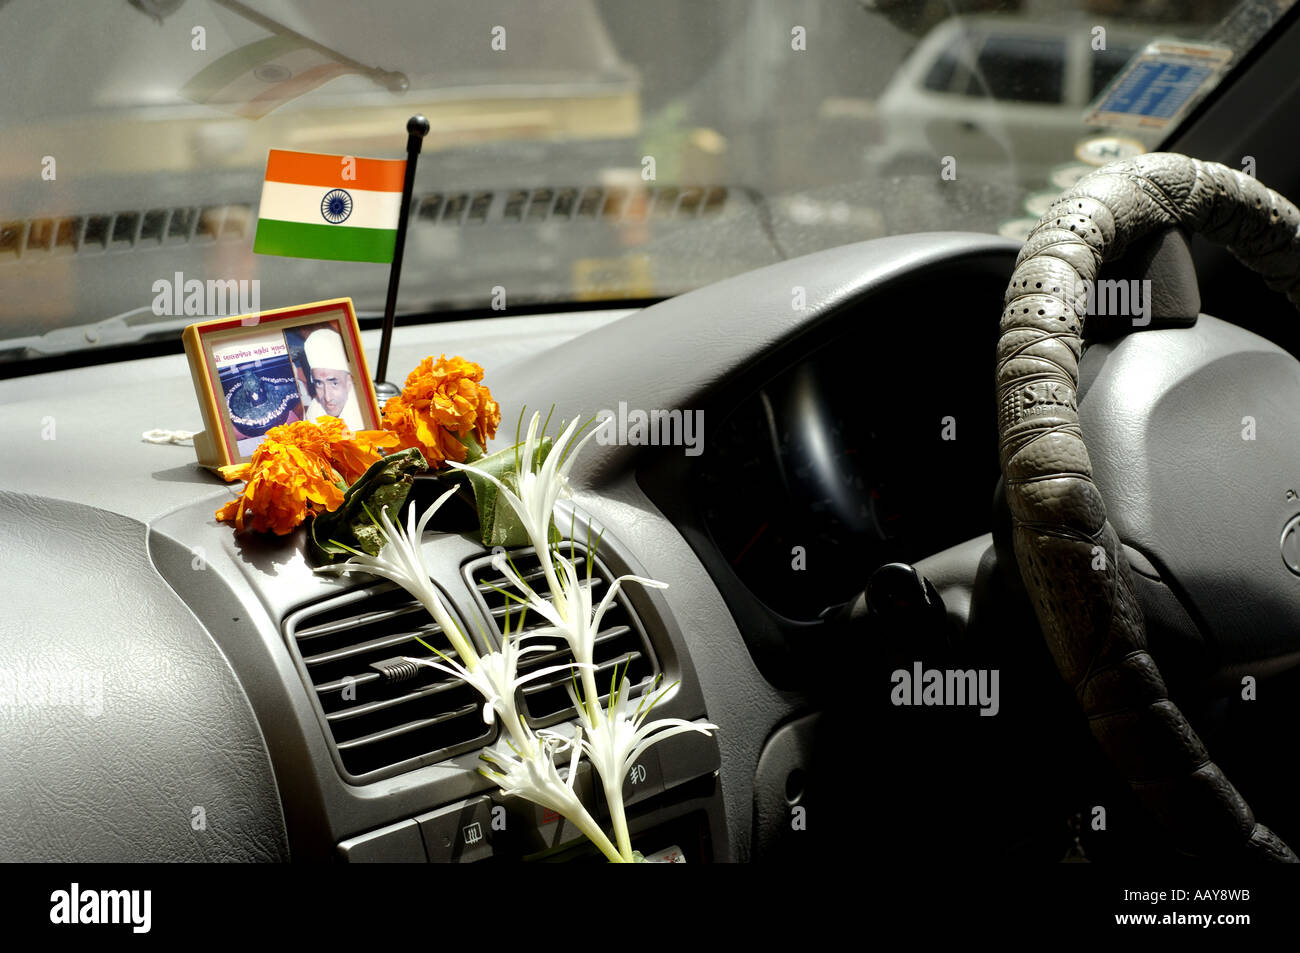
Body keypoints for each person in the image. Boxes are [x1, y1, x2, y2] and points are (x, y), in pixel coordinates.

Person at [303, 328, 364, 430]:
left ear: (349, 381)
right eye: (319, 383)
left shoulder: (364, 412)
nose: (327, 397)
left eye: (334, 383)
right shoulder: (315, 410)